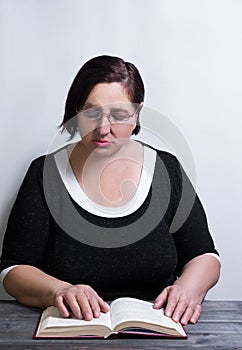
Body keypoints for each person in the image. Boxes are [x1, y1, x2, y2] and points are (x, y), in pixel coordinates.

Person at [0, 55, 220, 325]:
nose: (104, 129)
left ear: (137, 115)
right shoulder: (44, 173)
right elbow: (12, 271)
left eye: (119, 115)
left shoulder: (167, 170)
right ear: (75, 112)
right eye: (91, 113)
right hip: (70, 327)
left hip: (159, 325)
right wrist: (59, 290)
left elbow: (205, 256)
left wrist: (188, 288)